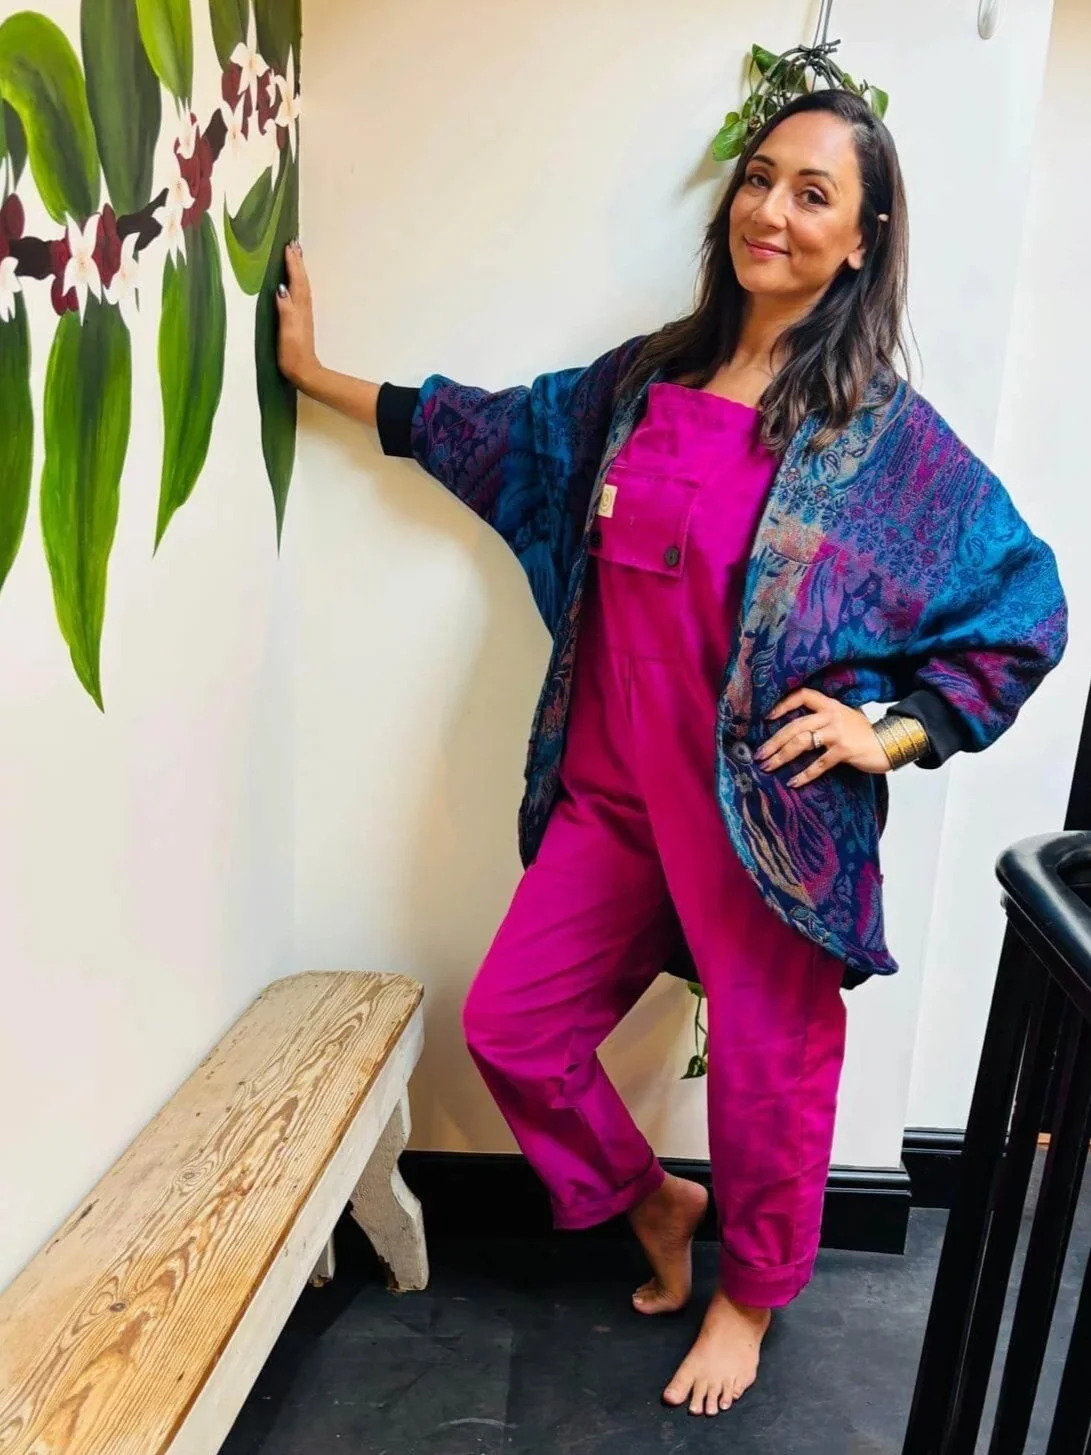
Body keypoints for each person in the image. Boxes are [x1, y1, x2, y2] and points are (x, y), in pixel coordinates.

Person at [275, 89, 1067, 1418]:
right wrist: (318, 377)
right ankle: (653, 1200)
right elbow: (489, 431)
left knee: (768, 1071)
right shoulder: (640, 382)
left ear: (863, 237)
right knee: (513, 1026)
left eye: (814, 193)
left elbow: (1019, 605)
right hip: (610, 796)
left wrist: (888, 733)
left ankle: (750, 1293)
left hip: (764, 824)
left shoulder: (877, 440)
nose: (771, 210)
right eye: (761, 180)